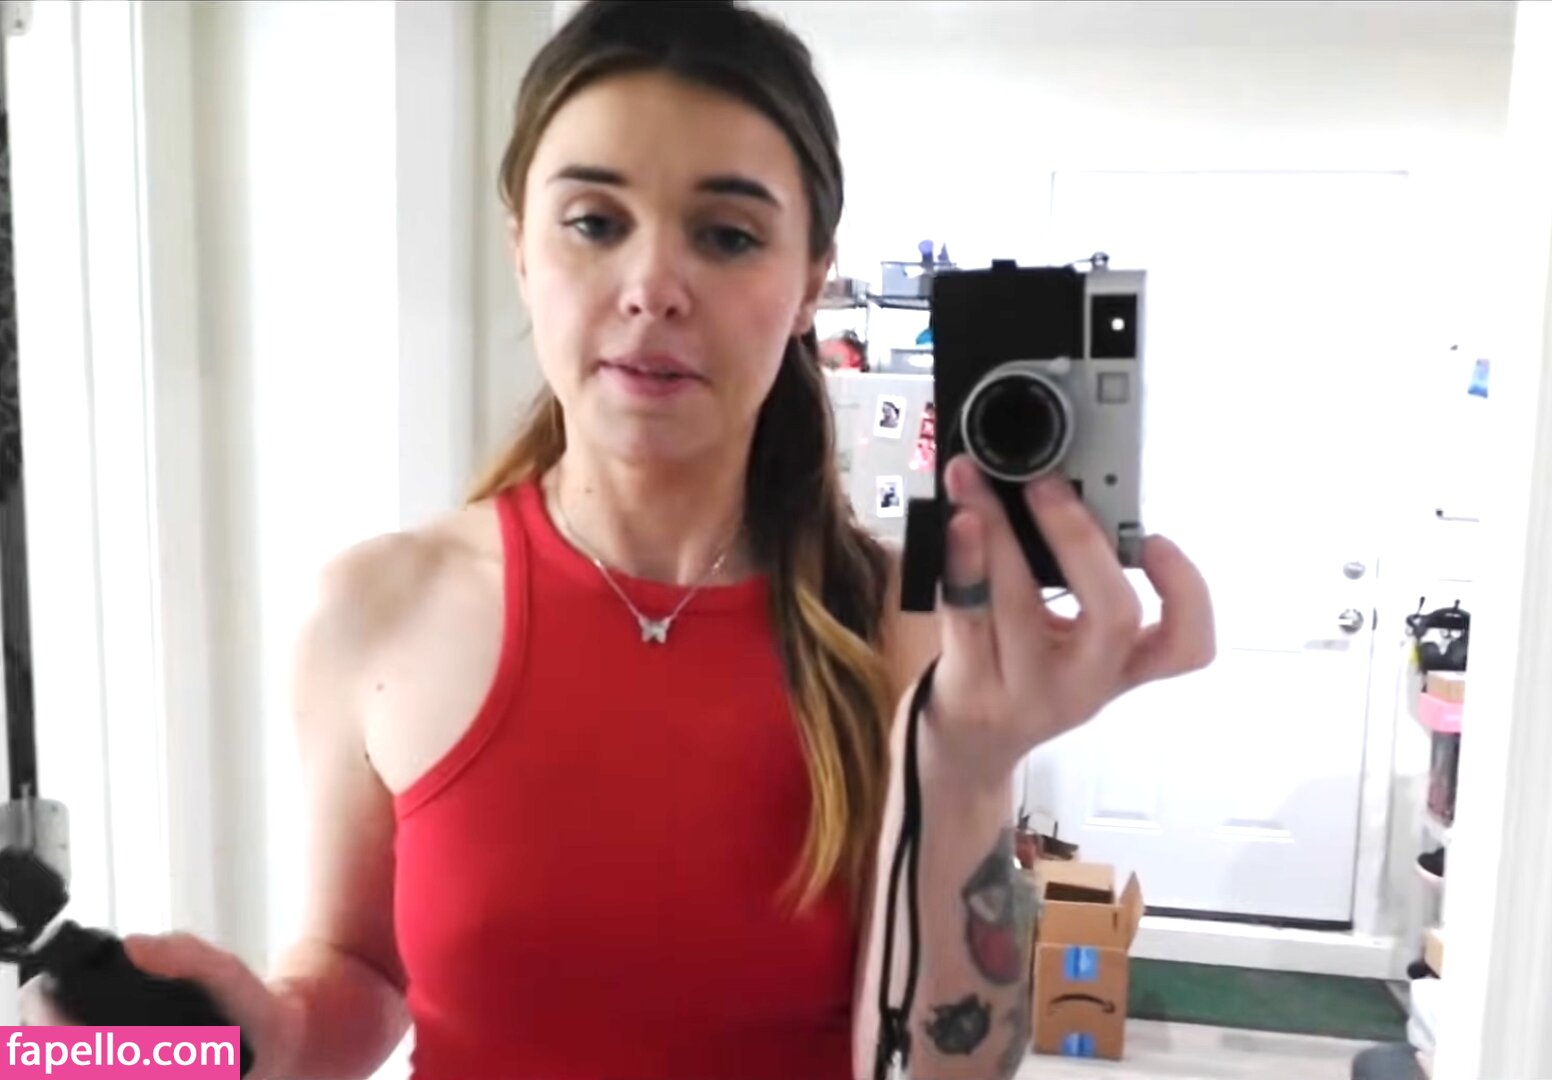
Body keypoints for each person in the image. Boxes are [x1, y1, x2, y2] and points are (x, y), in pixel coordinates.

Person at [23, 2, 1215, 1078]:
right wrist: (263, 1039)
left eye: (728, 236)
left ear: (811, 282)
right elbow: (360, 969)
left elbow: (956, 1064)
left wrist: (972, 769)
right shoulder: (374, 612)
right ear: (521, 248)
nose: (652, 286)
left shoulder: (910, 628)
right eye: (594, 222)